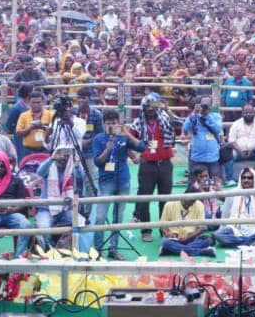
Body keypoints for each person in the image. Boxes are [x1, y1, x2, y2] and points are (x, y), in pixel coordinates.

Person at [91, 109, 143, 260]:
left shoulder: (123, 137)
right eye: (108, 123)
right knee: (100, 217)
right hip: (106, 180)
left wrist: (127, 134)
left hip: (123, 180)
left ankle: (113, 249)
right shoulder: (98, 139)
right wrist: (107, 150)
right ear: (103, 124)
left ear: (118, 123)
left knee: (118, 217)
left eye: (114, 123)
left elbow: (142, 147)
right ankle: (98, 249)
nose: (111, 126)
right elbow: (97, 162)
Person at [131, 93, 175, 242]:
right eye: (147, 106)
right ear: (143, 108)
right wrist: (133, 156)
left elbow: (180, 125)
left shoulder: (165, 118)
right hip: (147, 165)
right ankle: (146, 230)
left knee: (165, 199)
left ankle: (165, 229)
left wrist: (168, 110)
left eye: (153, 106)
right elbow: (127, 138)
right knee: (145, 198)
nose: (150, 109)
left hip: (165, 164)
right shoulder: (138, 122)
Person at [34, 146, 86, 253]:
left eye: (66, 156)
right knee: (44, 227)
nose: (63, 158)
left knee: (81, 222)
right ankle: (50, 251)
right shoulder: (50, 167)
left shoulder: (72, 169)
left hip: (66, 210)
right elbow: (39, 172)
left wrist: (77, 165)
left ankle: (75, 250)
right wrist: (52, 158)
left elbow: (81, 178)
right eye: (60, 155)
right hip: (47, 210)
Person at [213, 166, 255, 247]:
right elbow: (225, 215)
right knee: (218, 234)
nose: (246, 180)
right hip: (235, 229)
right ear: (240, 179)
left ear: (254, 180)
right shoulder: (232, 193)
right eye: (244, 178)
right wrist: (222, 229)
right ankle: (252, 243)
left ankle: (240, 242)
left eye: (249, 178)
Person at [159, 182, 215, 257]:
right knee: (165, 242)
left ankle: (170, 251)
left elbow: (202, 228)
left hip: (191, 238)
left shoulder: (199, 205)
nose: (190, 204)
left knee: (208, 240)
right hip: (175, 239)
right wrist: (167, 233)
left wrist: (188, 237)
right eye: (188, 201)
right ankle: (203, 251)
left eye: (193, 202)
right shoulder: (170, 204)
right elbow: (162, 225)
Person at [183, 96, 224, 186]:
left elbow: (217, 129)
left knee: (213, 183)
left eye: (207, 104)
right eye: (203, 104)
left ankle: (210, 199)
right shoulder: (194, 117)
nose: (205, 106)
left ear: (211, 105)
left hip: (213, 158)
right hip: (197, 158)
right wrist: (194, 113)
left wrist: (207, 116)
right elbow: (185, 128)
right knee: (194, 185)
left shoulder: (216, 116)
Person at [225, 103, 255, 180]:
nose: (248, 114)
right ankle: (229, 180)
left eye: (250, 112)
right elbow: (231, 140)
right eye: (246, 112)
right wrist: (239, 151)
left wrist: (252, 149)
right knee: (228, 155)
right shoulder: (236, 124)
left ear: (254, 113)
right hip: (238, 151)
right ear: (242, 113)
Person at [13, 91, 54, 157]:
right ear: (29, 103)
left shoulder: (50, 114)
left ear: (43, 102)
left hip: (46, 149)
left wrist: (42, 127)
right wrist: (30, 128)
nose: (36, 105)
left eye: (38, 102)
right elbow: (18, 133)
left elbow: (54, 131)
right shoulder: (23, 115)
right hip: (28, 150)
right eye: (33, 102)